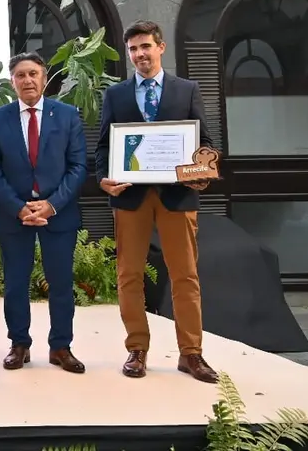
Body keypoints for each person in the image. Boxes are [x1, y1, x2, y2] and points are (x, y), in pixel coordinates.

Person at [96, 20, 218, 383]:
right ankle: (137, 350)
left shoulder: (187, 90)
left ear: (160, 47)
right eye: (133, 49)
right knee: (128, 275)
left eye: (145, 47)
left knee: (185, 276)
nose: (139, 55)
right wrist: (104, 177)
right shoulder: (116, 95)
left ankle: (191, 354)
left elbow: (206, 143)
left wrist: (202, 170)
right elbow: (104, 145)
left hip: (177, 197)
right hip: (130, 197)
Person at [0, 52, 87, 374]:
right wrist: (18, 206)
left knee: (61, 283)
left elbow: (78, 166)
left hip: (59, 214)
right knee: (15, 282)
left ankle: (61, 347)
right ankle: (19, 344)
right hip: (16, 215)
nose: (28, 80)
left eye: (33, 74)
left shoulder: (67, 115)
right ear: (12, 82)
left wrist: (52, 204)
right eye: (21, 75)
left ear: (44, 77)